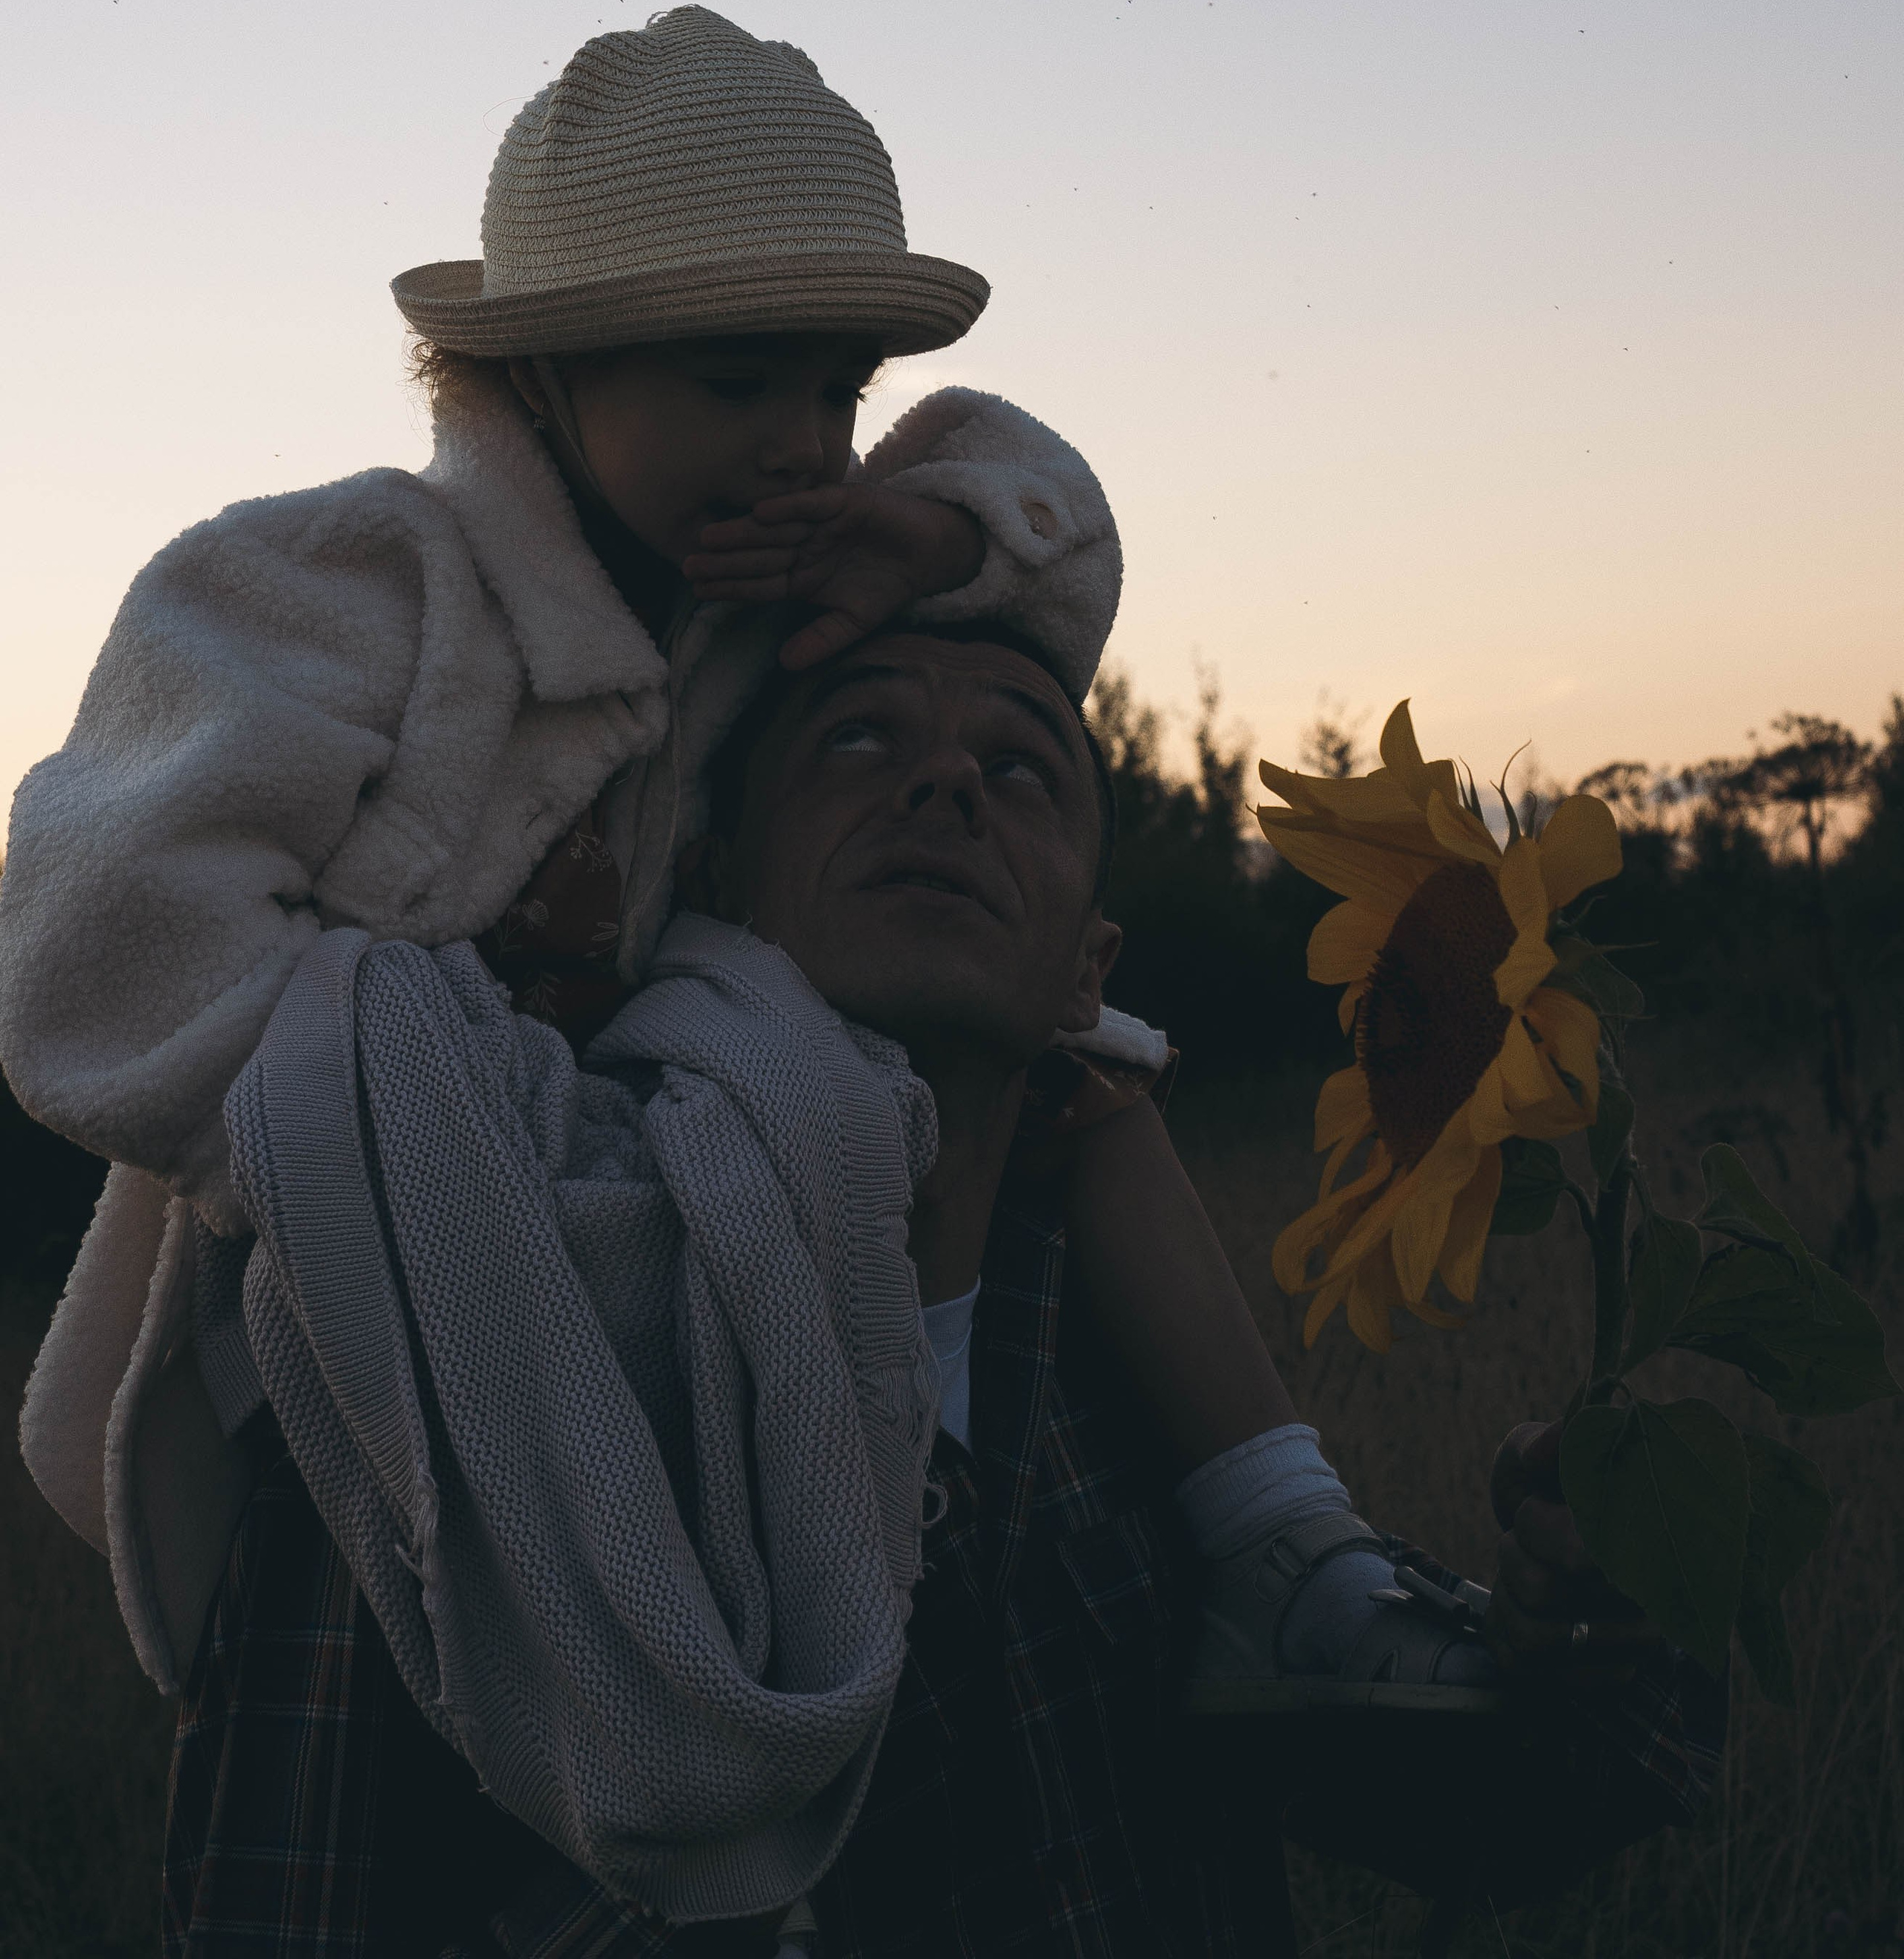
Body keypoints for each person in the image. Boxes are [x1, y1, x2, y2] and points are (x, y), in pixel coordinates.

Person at [0, 1, 1464, 1722]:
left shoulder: (769, 603)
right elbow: (100, 941)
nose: (803, 441)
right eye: (734, 378)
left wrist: (919, 528)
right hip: (374, 1273)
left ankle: (1280, 1538)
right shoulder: (345, 586)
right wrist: (436, 1137)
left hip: (700, 1179)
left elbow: (1052, 544)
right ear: (547, 375)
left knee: (1079, 1065)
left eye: (837, 391)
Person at [164, 619, 1722, 1958]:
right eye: (855, 740)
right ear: (705, 887)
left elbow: (1502, 1827)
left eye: (1024, 767)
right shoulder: (447, 1356)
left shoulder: (1132, 1388)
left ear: (1083, 971)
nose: (946, 781)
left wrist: (1591, 1610)